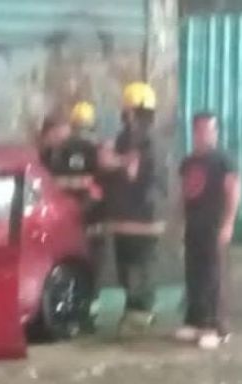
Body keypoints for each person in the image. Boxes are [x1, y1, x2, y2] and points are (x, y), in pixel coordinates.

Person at [100, 82, 164, 336]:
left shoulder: (150, 141)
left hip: (145, 217)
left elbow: (132, 169)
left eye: (129, 111)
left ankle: (142, 311)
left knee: (141, 265)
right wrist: (117, 161)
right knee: (126, 266)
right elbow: (113, 164)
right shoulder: (124, 138)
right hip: (125, 216)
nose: (125, 116)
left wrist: (116, 161)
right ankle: (133, 310)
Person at [175, 112, 241, 350]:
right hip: (194, 226)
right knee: (194, 275)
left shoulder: (223, 160)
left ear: (216, 132)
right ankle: (195, 321)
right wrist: (181, 224)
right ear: (193, 133)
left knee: (215, 277)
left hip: (214, 226)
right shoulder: (189, 162)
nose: (204, 135)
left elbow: (233, 191)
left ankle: (217, 328)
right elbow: (184, 194)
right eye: (200, 130)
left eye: (209, 130)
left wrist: (228, 223)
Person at [42, 101, 106, 333]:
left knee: (91, 267)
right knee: (74, 268)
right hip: (67, 220)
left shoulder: (90, 151)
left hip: (88, 219)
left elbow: (95, 186)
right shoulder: (53, 153)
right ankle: (77, 314)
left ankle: (88, 315)